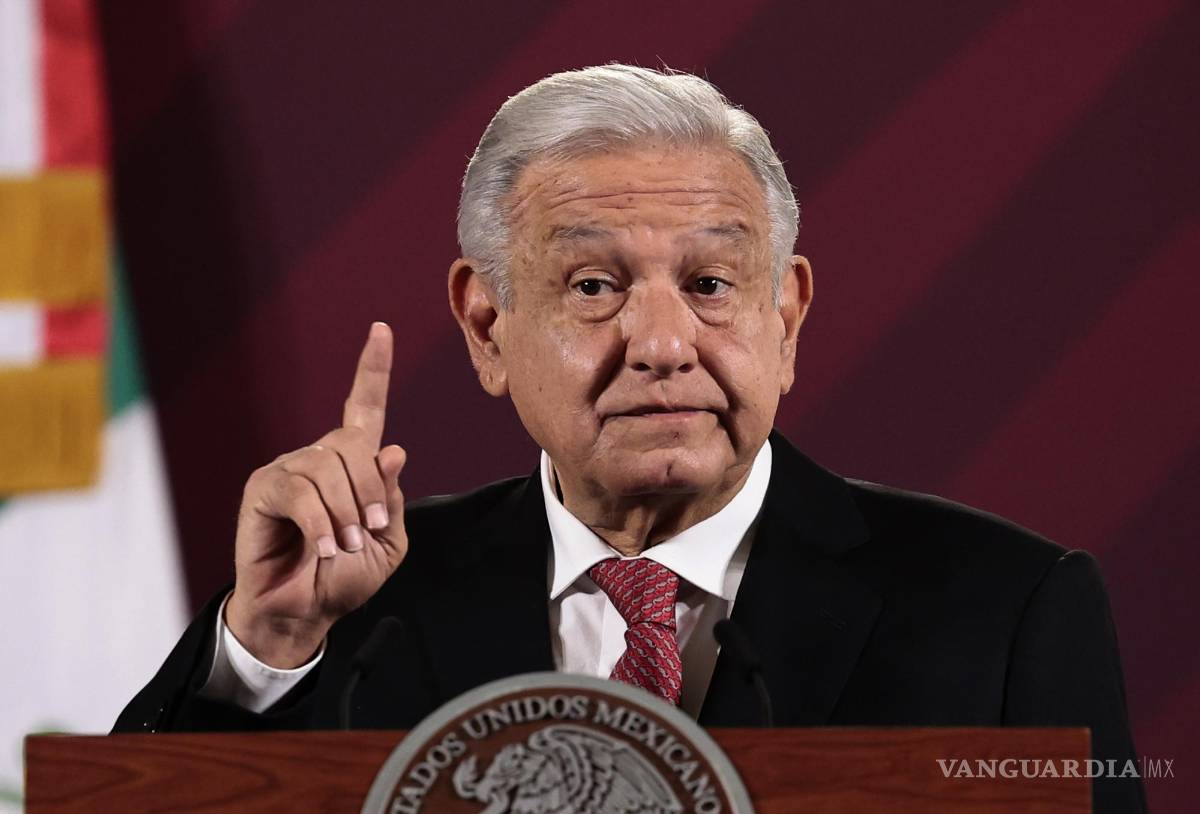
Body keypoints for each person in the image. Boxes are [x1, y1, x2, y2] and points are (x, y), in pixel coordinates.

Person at [114, 65, 1144, 812]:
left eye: (709, 285)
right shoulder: (361, 611)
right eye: (595, 286)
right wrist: (264, 653)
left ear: (783, 319)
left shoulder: (1009, 612)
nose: (661, 343)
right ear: (488, 325)